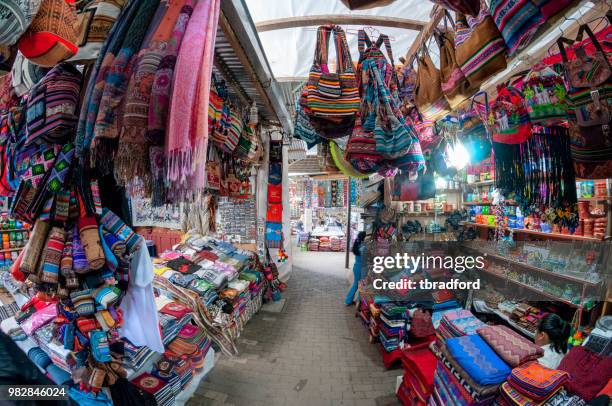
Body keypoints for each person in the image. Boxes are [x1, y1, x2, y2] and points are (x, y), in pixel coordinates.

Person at [345, 231, 366, 306]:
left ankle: (348, 300)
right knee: (362, 285)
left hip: (356, 266)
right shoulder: (364, 247)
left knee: (356, 284)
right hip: (362, 268)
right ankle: (359, 303)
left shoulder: (357, 244)